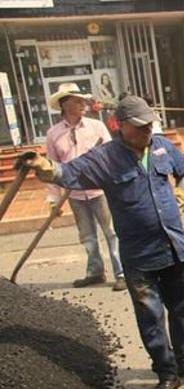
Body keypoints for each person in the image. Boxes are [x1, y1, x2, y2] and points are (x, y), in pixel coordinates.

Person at [18, 96, 184, 389]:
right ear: (119, 126)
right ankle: (166, 371)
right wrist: (44, 167)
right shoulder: (106, 157)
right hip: (139, 255)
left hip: (174, 247)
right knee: (150, 316)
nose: (147, 129)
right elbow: (68, 173)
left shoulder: (161, 146)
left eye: (149, 123)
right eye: (139, 126)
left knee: (181, 308)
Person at [45, 82, 125, 291]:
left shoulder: (96, 127)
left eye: (82, 100)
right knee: (87, 235)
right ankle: (95, 271)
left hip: (100, 191)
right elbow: (52, 168)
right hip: (74, 195)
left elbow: (112, 155)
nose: (83, 104)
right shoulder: (53, 134)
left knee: (112, 232)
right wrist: (53, 200)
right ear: (65, 105)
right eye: (76, 101)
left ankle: (122, 273)